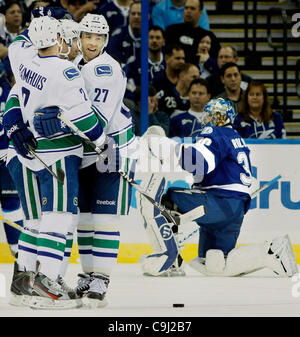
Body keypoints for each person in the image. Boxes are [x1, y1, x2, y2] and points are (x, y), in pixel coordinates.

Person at [35, 13, 139, 308]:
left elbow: (98, 123)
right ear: (79, 38)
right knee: (84, 220)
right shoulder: (79, 65)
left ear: (105, 40)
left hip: (112, 149)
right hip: (88, 152)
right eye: (87, 37)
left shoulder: (105, 69)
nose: (92, 42)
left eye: (98, 38)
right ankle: (87, 275)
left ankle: (101, 279)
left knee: (104, 219)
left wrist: (60, 122)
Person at [3, 15, 105, 309]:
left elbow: (15, 91)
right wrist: (99, 140)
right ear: (61, 40)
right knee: (58, 219)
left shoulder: (26, 60)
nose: (76, 46)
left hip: (30, 155)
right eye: (72, 39)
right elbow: (84, 118)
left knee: (35, 222)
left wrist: (15, 124)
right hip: (56, 155)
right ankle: (47, 283)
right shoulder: (66, 72)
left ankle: (24, 282)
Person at [138, 98, 297, 278]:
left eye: (209, 115)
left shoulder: (215, 132)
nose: (207, 119)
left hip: (218, 203)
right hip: (234, 211)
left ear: (215, 117)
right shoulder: (236, 137)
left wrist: (164, 145)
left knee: (165, 202)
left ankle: (170, 260)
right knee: (215, 264)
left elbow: (198, 162)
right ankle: (270, 251)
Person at [164, 0, 220, 64]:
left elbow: (218, 61)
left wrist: (208, 60)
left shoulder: (208, 36)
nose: (188, 11)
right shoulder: (171, 31)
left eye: (192, 8)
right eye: (186, 8)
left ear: (200, 13)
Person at [106, 0, 141, 67]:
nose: (136, 17)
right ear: (129, 16)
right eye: (133, 14)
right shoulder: (117, 35)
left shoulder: (151, 36)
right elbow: (113, 63)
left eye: (140, 14)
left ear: (147, 16)